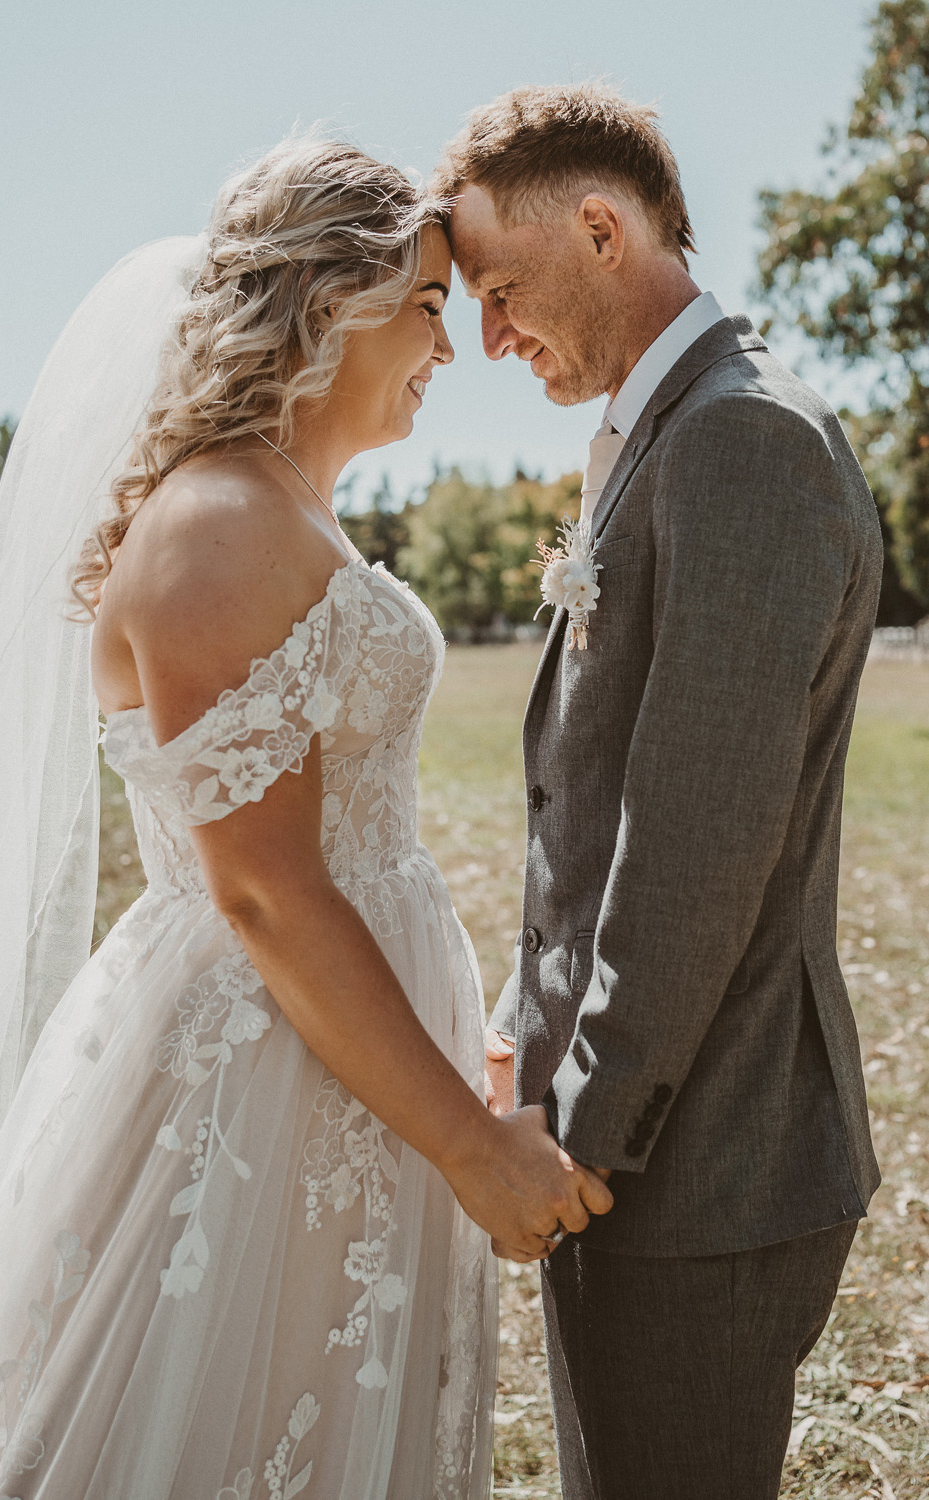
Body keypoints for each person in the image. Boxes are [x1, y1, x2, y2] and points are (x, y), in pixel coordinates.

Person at [0, 137, 612, 1500]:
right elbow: (265, 893)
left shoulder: (285, 510)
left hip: (348, 1056)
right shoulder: (220, 526)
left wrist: (456, 1045)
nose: (452, 345)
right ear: (328, 304)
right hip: (256, 1075)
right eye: (427, 304)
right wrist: (473, 1148)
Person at [436, 85, 882, 1500]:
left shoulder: (742, 442)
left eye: (503, 290)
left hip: (696, 1157)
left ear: (600, 226)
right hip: (644, 1142)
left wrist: (573, 1142)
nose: (492, 336)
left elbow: (693, 847)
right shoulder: (670, 432)